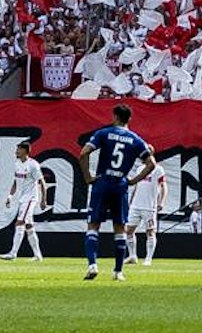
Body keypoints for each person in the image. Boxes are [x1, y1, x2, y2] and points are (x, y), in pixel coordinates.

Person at [80, 102, 155, 282]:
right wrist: (133, 180)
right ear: (129, 119)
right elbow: (151, 163)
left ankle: (92, 265)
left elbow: (83, 153)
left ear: (114, 116)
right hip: (120, 185)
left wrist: (88, 177)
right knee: (120, 228)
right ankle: (118, 272)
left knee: (93, 225)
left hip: (102, 182)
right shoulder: (136, 139)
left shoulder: (104, 133)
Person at [0, 143, 47, 262]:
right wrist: (10, 196)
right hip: (22, 199)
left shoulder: (33, 165)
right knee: (29, 227)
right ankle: (38, 255)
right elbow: (15, 182)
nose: (16, 151)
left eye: (18, 149)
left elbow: (42, 182)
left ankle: (13, 253)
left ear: (25, 151)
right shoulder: (17, 164)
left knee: (19, 223)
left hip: (31, 198)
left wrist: (43, 200)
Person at [125, 162, 168, 268]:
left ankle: (148, 258)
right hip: (136, 206)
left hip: (149, 206)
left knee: (150, 232)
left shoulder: (158, 169)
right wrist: (131, 201)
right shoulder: (140, 169)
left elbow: (163, 186)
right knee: (129, 230)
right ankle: (132, 256)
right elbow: (137, 186)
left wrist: (161, 202)